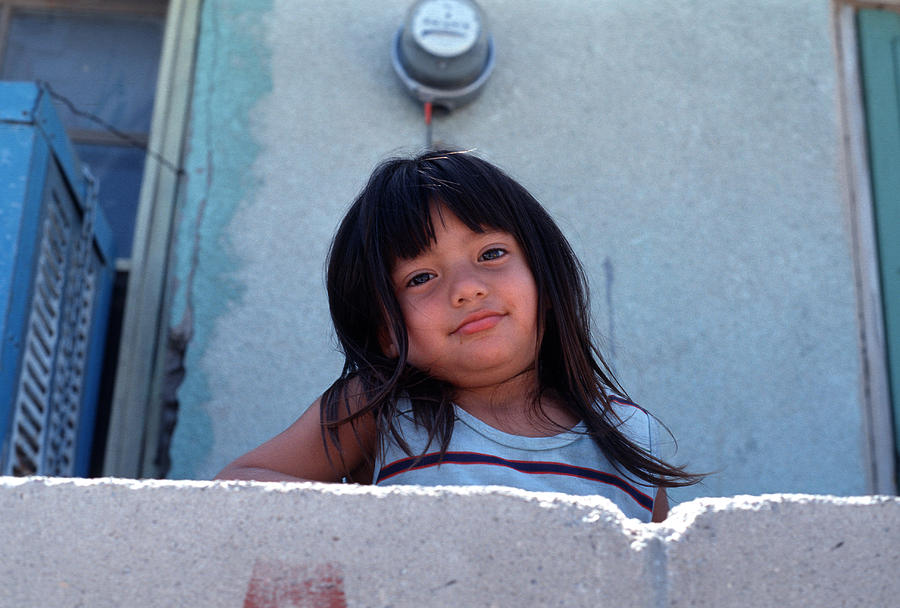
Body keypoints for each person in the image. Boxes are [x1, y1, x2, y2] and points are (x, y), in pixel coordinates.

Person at [215, 149, 701, 522]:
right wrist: (376, 524)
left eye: (491, 254)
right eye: (420, 278)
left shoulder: (629, 434)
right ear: (385, 333)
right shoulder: (379, 408)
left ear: (546, 281)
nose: (467, 289)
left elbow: (662, 576)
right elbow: (237, 486)